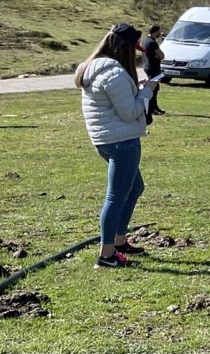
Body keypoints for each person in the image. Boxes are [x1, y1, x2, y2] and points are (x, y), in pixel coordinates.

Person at [77, 23, 151, 269]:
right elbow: (130, 112)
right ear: (126, 47)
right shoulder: (114, 73)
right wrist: (147, 93)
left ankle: (119, 241)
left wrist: (137, 91)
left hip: (107, 140)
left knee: (135, 187)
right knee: (116, 196)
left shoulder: (95, 68)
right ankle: (106, 255)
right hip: (122, 142)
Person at [141, 24, 165, 116]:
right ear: (155, 32)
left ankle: (155, 107)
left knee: (155, 87)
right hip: (154, 67)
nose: (160, 33)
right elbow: (162, 56)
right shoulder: (152, 42)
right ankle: (151, 108)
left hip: (147, 66)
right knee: (153, 89)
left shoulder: (145, 41)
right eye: (159, 31)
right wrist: (157, 56)